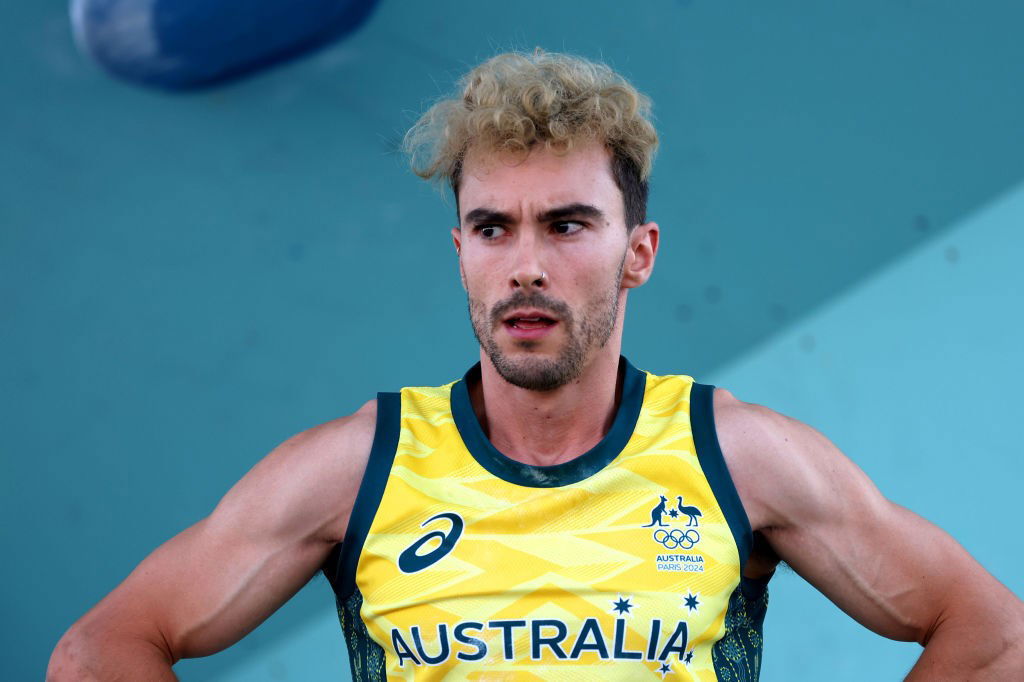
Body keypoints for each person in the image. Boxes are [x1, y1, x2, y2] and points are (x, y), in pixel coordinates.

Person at [48, 50, 1023, 681]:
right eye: (490, 227)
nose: (525, 262)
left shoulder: (740, 457)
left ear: (637, 251)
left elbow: (994, 637)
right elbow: (99, 652)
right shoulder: (360, 466)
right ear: (461, 252)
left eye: (565, 225)